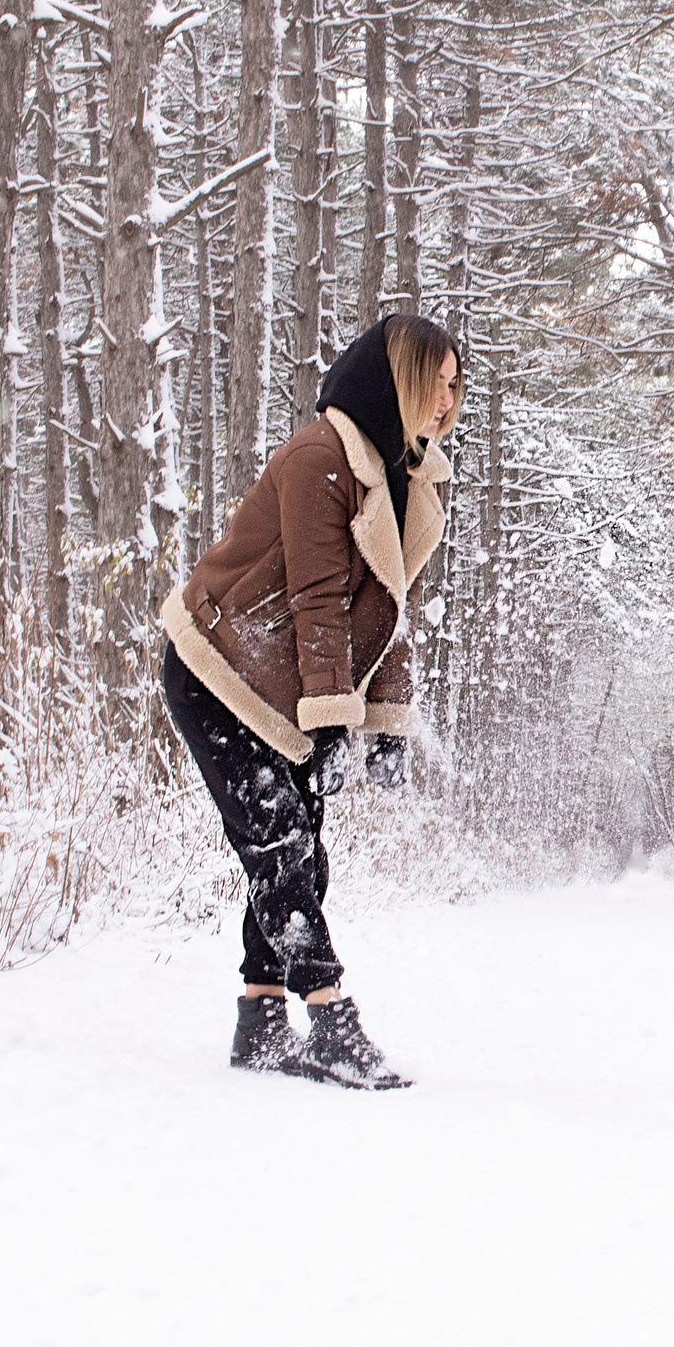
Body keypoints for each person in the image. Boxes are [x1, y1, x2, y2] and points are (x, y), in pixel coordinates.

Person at [159, 315, 461, 1089]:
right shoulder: (318, 458)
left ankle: (261, 1018)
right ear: (402, 381)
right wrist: (334, 723)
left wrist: (385, 722)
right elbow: (318, 599)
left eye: (459, 387)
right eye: (440, 384)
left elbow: (390, 612)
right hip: (221, 674)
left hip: (287, 689)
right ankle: (330, 1018)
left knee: (297, 853)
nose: (451, 401)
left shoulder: (409, 481)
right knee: (282, 846)